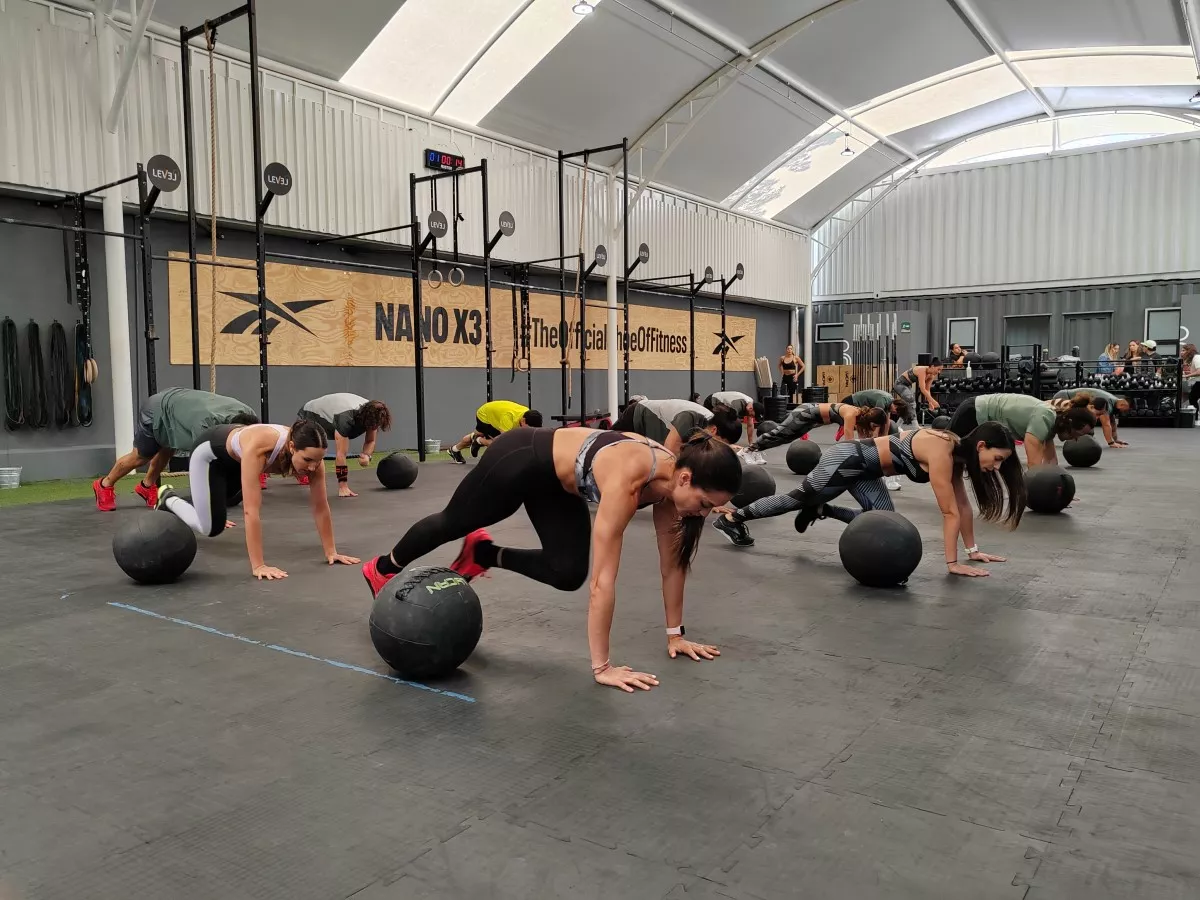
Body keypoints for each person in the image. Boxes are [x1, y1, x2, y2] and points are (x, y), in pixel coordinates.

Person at [361, 429, 743, 692]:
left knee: (567, 571)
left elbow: (672, 565)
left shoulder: (671, 489)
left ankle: (483, 553)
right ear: (685, 478)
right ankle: (382, 567)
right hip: (521, 457)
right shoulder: (629, 479)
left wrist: (676, 635)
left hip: (558, 485)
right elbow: (603, 582)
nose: (705, 513)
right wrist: (603, 667)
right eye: (706, 504)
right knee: (453, 520)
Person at [713, 423, 1024, 578]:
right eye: (996, 459)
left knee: (883, 526)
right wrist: (953, 564)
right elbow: (950, 512)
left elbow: (964, 506)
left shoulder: (957, 455)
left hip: (867, 471)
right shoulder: (942, 449)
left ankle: (823, 509)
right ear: (981, 445)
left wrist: (973, 551)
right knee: (797, 498)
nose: (995, 467)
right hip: (847, 458)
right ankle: (732, 518)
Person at [156, 420, 359, 580]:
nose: (313, 467)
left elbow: (320, 507)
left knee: (220, 504)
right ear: (291, 446)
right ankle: (168, 498)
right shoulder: (260, 450)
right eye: (307, 460)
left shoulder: (314, 460)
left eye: (318, 460)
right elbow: (250, 511)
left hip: (237, 459)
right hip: (210, 455)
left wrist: (331, 552)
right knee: (211, 526)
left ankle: (203, 504)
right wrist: (258, 565)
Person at [92, 388, 258, 511]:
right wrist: (211, 511)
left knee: (169, 446)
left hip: (181, 407)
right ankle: (105, 484)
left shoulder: (249, 415)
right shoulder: (204, 426)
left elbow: (253, 444)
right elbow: (202, 467)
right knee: (141, 457)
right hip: (158, 408)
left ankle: (147, 485)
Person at [948, 393, 1095, 467]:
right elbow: (1034, 465)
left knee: (955, 458)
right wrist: (1042, 489)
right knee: (945, 451)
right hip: (974, 411)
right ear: (1069, 423)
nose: (1076, 439)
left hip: (980, 415)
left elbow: (1050, 461)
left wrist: (1062, 490)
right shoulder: (1045, 417)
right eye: (1078, 434)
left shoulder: (1051, 425)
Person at [296, 393, 393, 497]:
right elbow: (341, 454)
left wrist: (367, 455)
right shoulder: (345, 418)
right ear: (365, 419)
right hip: (311, 413)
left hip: (336, 410)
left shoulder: (373, 412)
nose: (374, 428)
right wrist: (343, 486)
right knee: (313, 448)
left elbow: (370, 441)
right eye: (374, 425)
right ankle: (297, 470)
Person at [612, 398, 741, 454]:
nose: (719, 447)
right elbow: (670, 451)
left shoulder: (710, 426)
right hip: (637, 415)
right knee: (606, 447)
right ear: (714, 430)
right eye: (722, 443)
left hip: (654, 430)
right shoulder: (690, 418)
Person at [749, 401, 887, 452]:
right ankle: (748, 450)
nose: (875, 428)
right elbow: (849, 443)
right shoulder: (852, 414)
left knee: (786, 438)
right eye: (875, 425)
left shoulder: (861, 419)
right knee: (780, 432)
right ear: (870, 419)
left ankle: (757, 451)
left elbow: (863, 440)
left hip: (813, 420)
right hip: (806, 412)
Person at [448, 400, 543, 464]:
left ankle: (454, 450)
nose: (531, 431)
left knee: (477, 433)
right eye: (530, 428)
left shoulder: (528, 415)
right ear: (523, 420)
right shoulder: (509, 418)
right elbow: (504, 440)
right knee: (500, 442)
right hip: (484, 416)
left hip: (495, 415)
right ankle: (479, 441)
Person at [1050, 388, 1129, 448]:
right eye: (1124, 410)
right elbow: (1106, 424)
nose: (1123, 413)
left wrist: (1116, 439)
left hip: (1069, 398)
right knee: (1056, 420)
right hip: (1065, 396)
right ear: (1121, 405)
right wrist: (1111, 443)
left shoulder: (1112, 403)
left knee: (1087, 421)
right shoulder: (1107, 403)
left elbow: (1112, 423)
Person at [702, 390, 766, 444]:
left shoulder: (750, 404)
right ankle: (705, 440)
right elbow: (729, 423)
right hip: (712, 401)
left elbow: (750, 425)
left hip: (724, 406)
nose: (753, 417)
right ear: (751, 409)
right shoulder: (737, 405)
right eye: (753, 415)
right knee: (713, 422)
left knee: (728, 419)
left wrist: (751, 443)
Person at [1182, 343, 1200, 411]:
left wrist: (1186, 375)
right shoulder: (1195, 358)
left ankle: (1195, 416)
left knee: (1192, 397)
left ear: (1189, 351)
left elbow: (1199, 372)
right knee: (1192, 397)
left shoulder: (1197, 358)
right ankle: (1195, 416)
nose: (1181, 352)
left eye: (1183, 350)